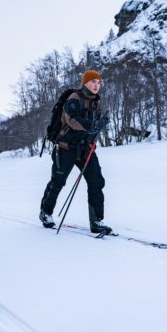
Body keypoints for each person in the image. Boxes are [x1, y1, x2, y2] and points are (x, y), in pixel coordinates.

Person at [39, 69, 111, 234]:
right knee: (58, 182)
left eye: (99, 82)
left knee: (96, 182)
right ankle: (46, 213)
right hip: (66, 148)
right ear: (85, 82)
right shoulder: (74, 99)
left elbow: (93, 127)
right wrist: (92, 125)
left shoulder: (96, 102)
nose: (96, 85)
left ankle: (97, 221)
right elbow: (71, 120)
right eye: (93, 81)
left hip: (86, 148)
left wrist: (100, 124)